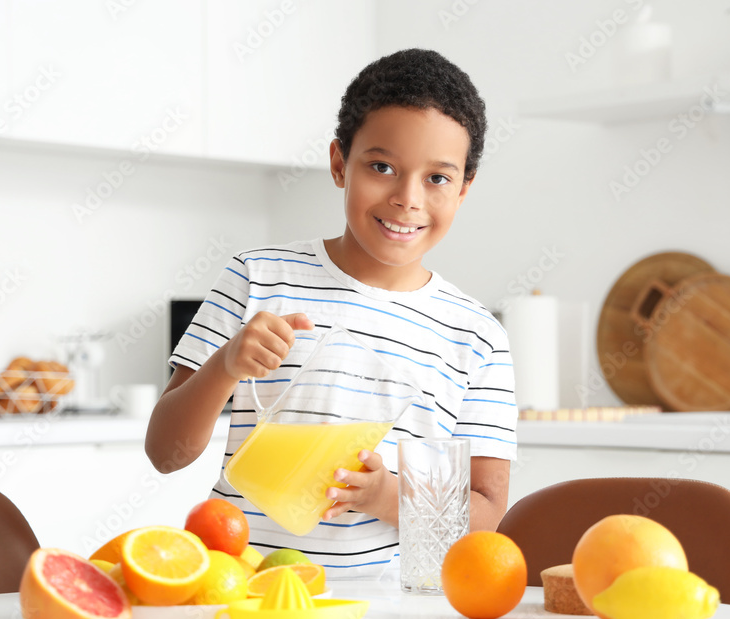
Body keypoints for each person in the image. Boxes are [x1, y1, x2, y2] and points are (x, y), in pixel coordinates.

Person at [145, 48, 517, 579]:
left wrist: (389, 495)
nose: (407, 199)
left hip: (387, 611)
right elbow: (166, 453)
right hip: (241, 590)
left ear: (464, 188)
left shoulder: (477, 336)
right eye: (382, 167)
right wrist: (225, 365)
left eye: (437, 178)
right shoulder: (258, 279)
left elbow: (486, 515)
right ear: (340, 164)